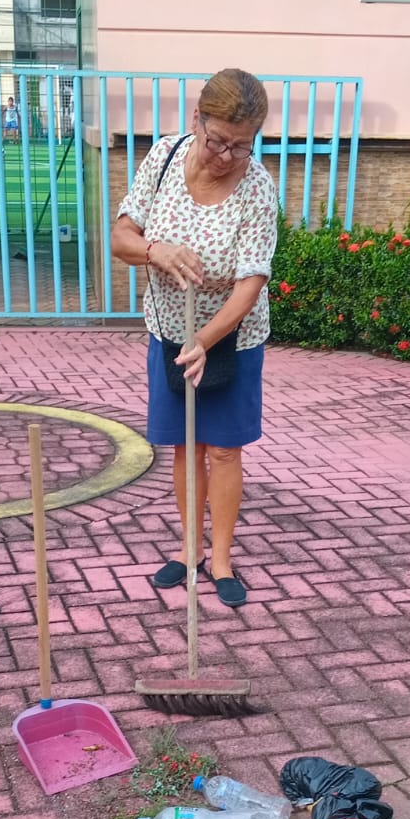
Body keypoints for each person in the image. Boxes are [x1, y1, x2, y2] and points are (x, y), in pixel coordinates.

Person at [112, 68, 277, 609]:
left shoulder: (258, 187)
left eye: (241, 145)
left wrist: (205, 339)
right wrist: (155, 249)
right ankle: (189, 551)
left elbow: (251, 282)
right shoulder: (163, 157)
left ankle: (221, 559)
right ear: (197, 120)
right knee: (186, 445)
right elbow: (121, 236)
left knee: (223, 449)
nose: (227, 156)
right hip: (169, 329)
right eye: (218, 141)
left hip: (232, 337)